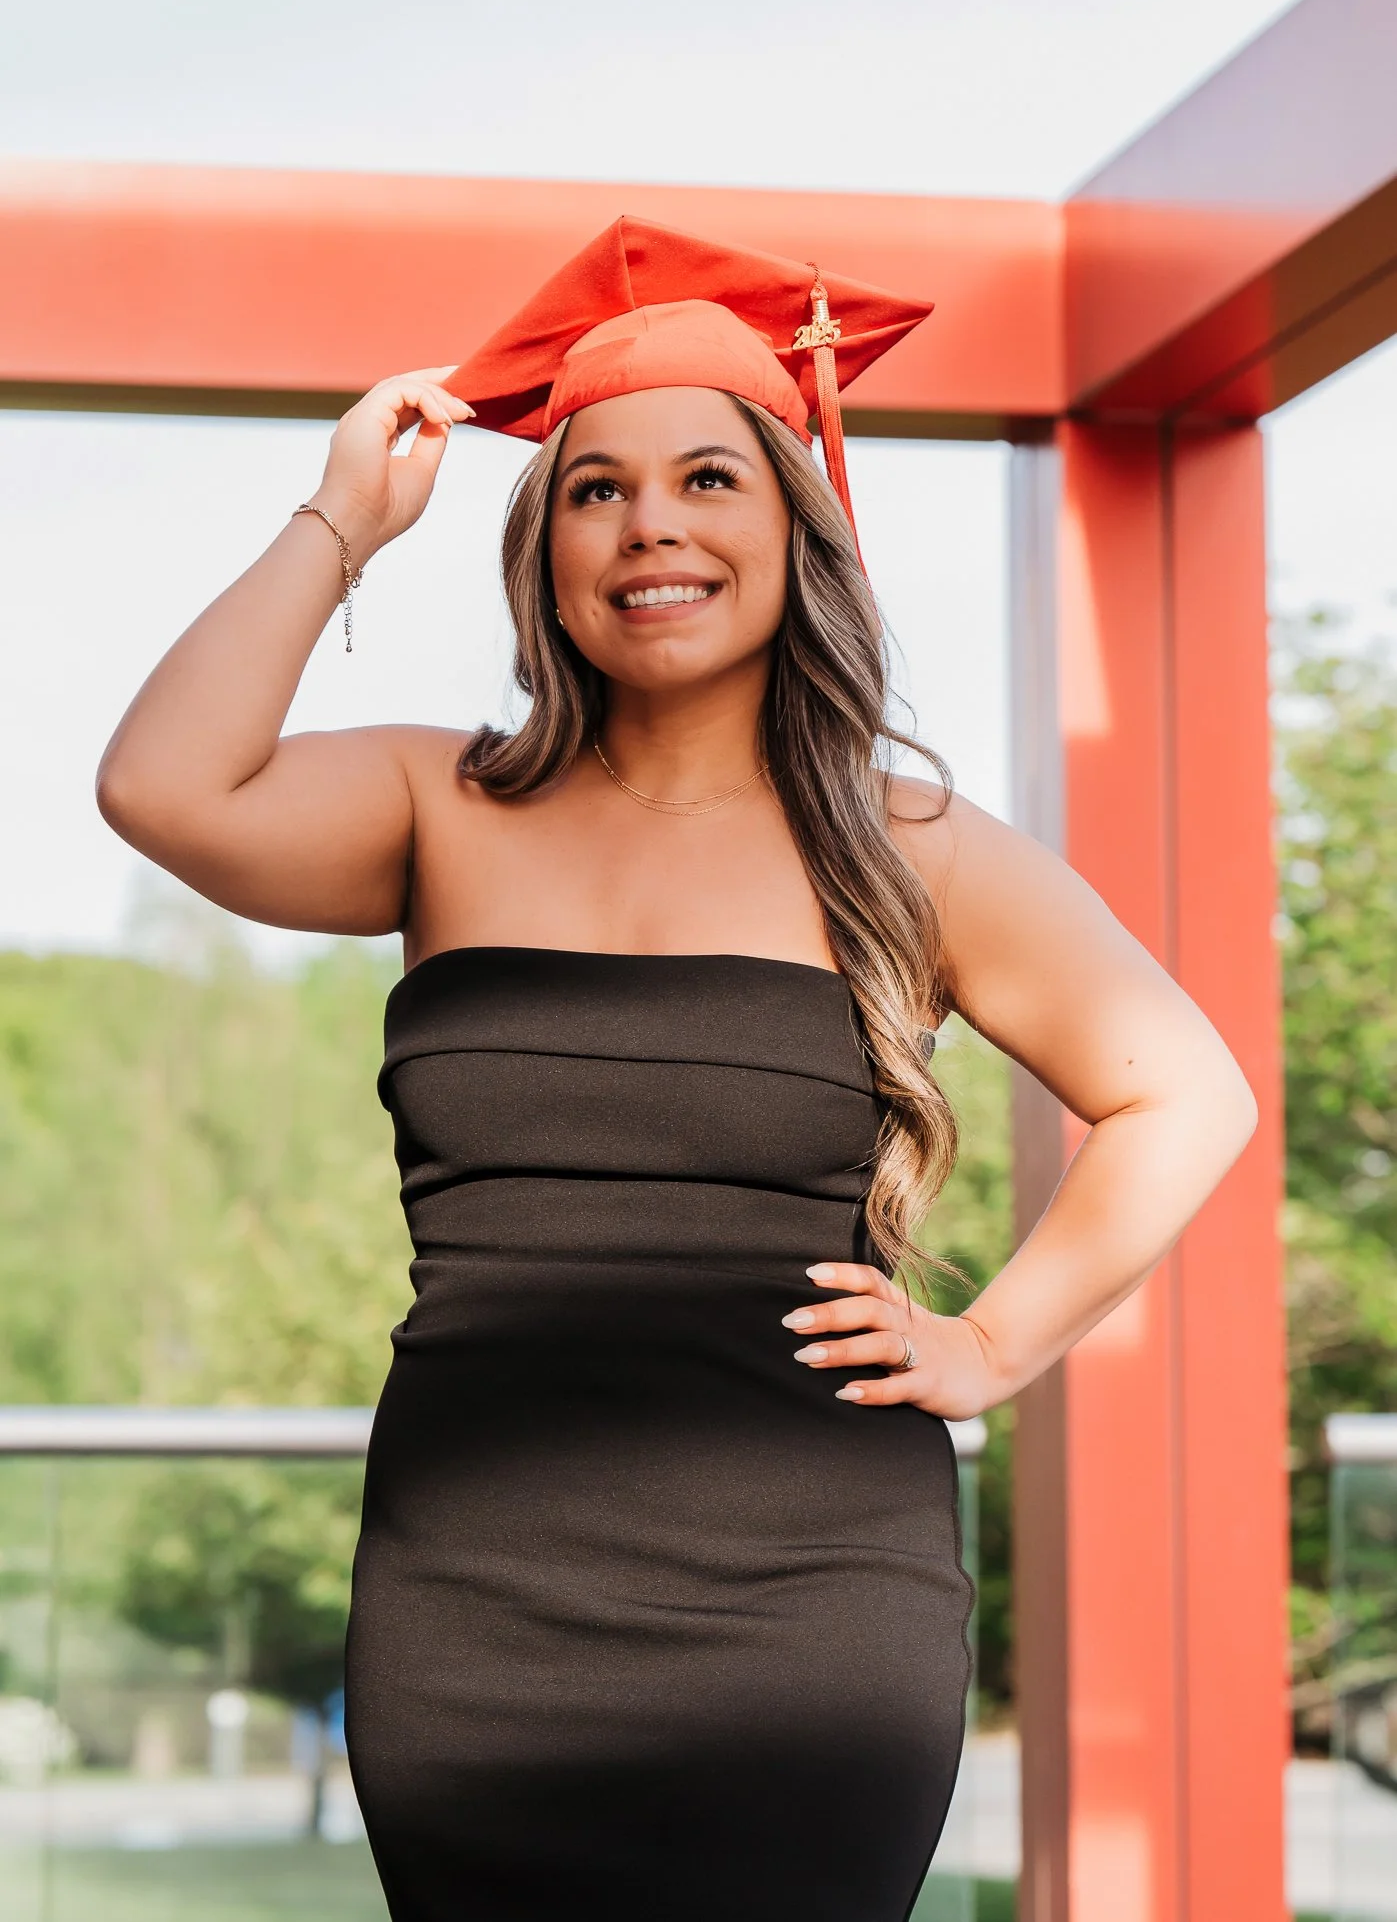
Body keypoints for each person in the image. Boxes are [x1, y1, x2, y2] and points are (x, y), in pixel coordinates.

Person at [95, 217, 1257, 1922]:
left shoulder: (906, 844)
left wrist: (994, 1341)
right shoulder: (439, 800)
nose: (652, 524)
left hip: (810, 1610)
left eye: (711, 478)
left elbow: (1188, 1094)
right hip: (474, 1606)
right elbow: (163, 787)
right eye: (596, 488)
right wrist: (346, 516)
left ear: (797, 530)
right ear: (544, 550)